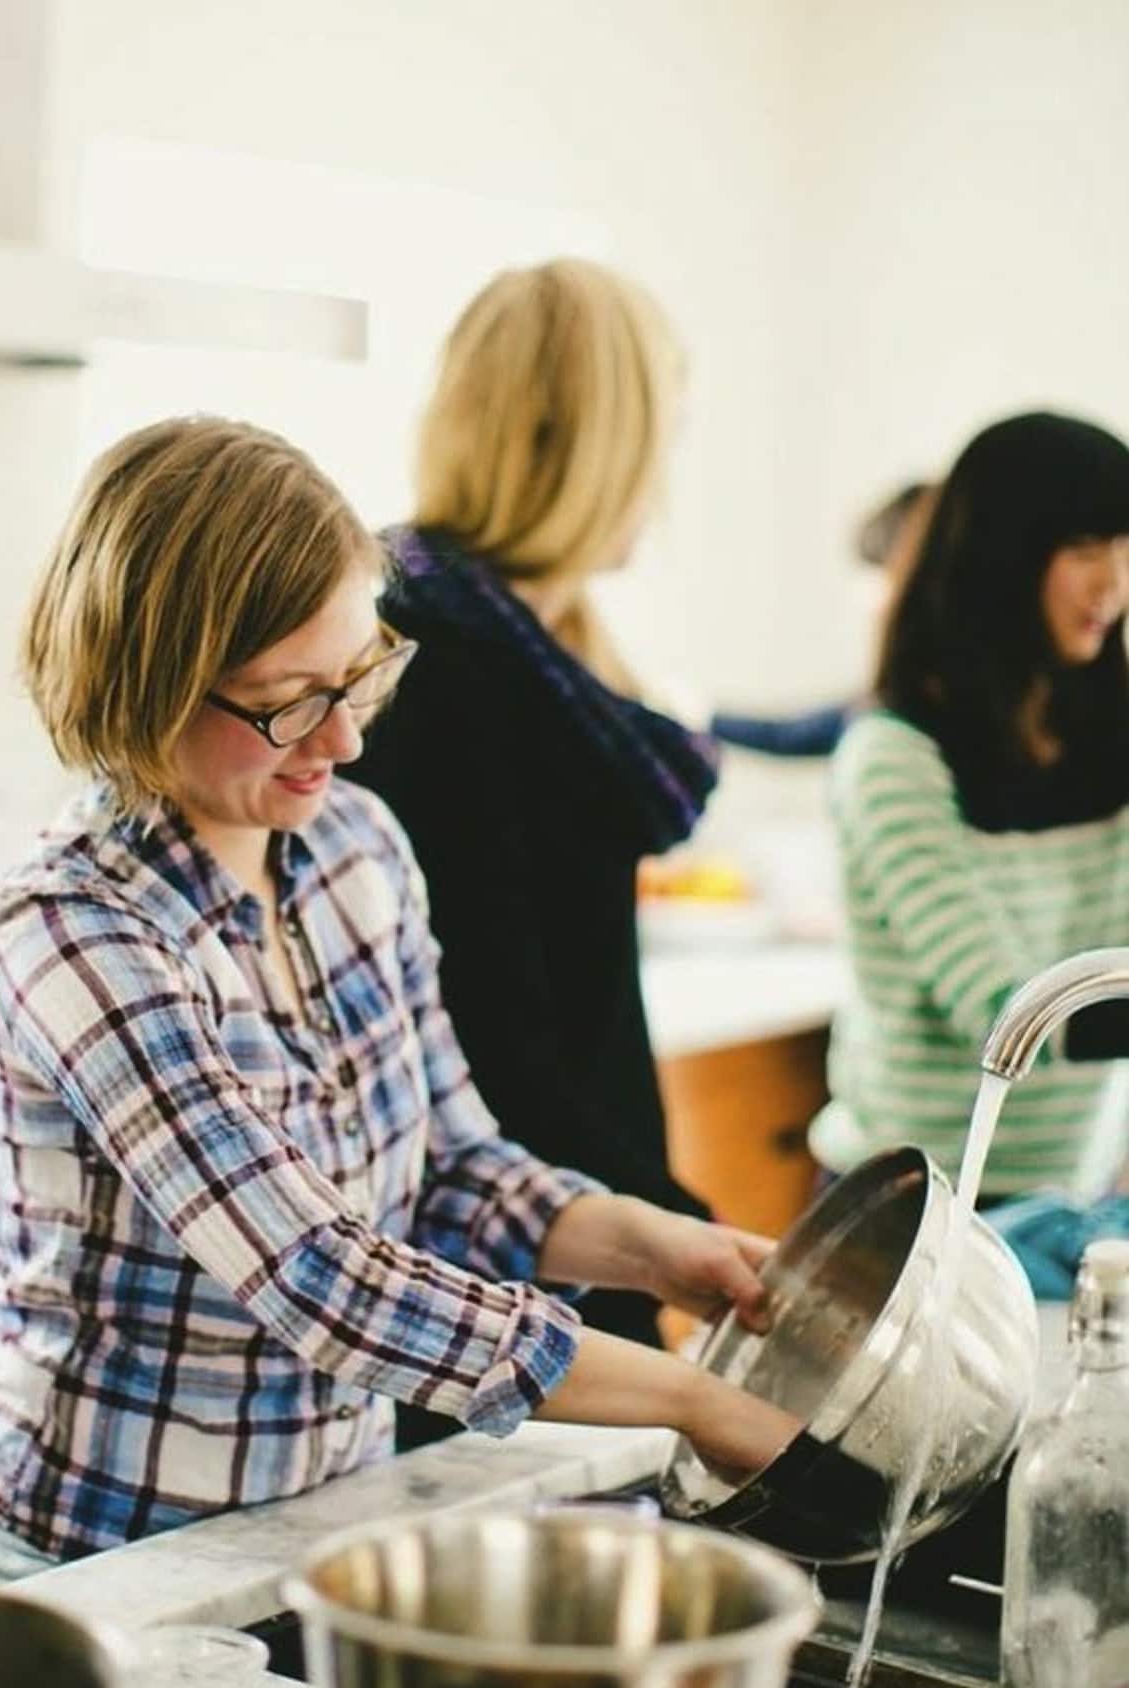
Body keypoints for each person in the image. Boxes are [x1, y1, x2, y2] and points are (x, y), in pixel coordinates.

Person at [0, 416, 795, 1582]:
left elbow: (452, 1170)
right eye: (288, 702)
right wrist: (690, 1401)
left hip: (317, 1529)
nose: (339, 740)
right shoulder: (77, 929)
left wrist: (663, 1251)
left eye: (359, 677)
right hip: (87, 1564)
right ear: (143, 685)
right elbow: (320, 1279)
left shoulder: (357, 851)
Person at [351, 261, 717, 1397]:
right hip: (504, 1270)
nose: (664, 476)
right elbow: (493, 1044)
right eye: (658, 434)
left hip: (592, 1218)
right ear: (593, 448)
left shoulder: (552, 657)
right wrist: (670, 1232)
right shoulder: (439, 671)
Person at [809, 411, 1129, 1206]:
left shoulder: (1108, 741)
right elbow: (1005, 1013)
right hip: (909, 1211)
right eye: (1087, 550)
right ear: (1005, 561)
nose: (1115, 584)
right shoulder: (895, 759)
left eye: (1126, 549)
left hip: (1065, 1201)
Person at [709, 481, 934, 758]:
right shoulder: (888, 709)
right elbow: (786, 736)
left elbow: (790, 736)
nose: (871, 604)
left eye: (879, 584)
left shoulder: (894, 725)